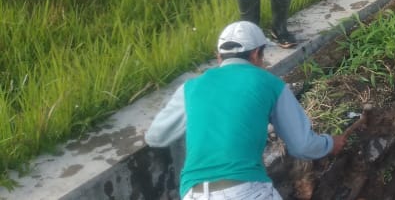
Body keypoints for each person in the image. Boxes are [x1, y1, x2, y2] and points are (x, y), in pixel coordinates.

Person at [145, 21, 367, 199]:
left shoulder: (190, 87)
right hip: (245, 190)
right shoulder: (269, 83)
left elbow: (156, 137)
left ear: (218, 56)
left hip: (193, 193)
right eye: (263, 57)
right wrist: (330, 143)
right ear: (255, 55)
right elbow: (302, 146)